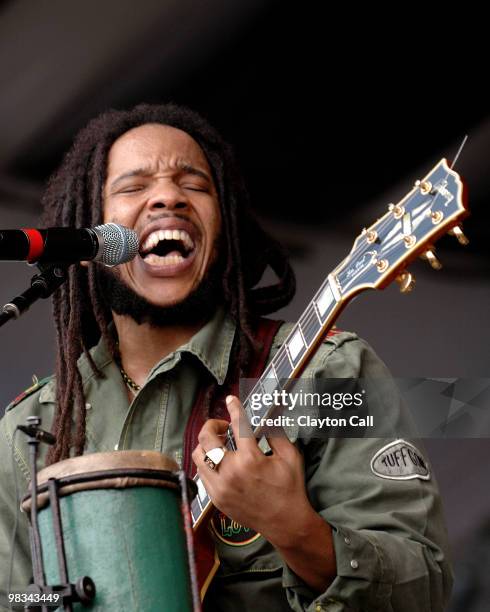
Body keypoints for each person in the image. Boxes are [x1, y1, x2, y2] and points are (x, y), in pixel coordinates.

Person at [0, 103, 452, 611]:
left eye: (194, 184)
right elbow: (11, 596)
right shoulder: (30, 429)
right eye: (132, 187)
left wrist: (293, 526)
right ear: (89, 233)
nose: (168, 197)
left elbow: (423, 588)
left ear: (225, 224)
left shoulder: (326, 376)